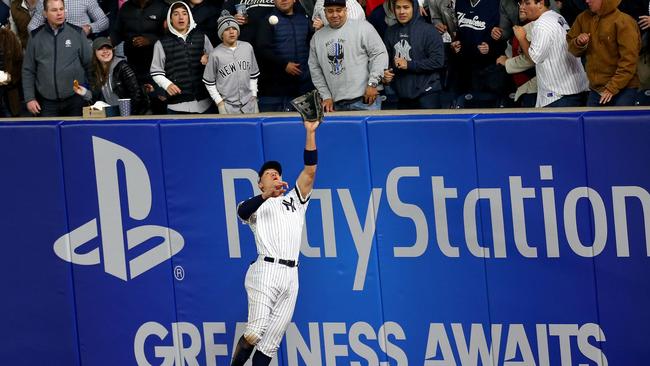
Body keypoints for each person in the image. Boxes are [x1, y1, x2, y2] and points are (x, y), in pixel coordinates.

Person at [231, 105, 321, 366]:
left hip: (292, 275)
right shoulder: (258, 203)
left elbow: (311, 170)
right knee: (254, 332)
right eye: (269, 174)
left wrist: (310, 132)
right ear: (261, 183)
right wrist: (265, 196)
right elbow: (241, 212)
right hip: (266, 271)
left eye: (277, 173)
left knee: (270, 343)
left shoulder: (295, 199)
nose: (274, 175)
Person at [308, 0, 388, 111]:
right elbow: (315, 70)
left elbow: (379, 54)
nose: (335, 15)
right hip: (335, 105)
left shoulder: (363, 27)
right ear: (324, 12)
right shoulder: (316, 38)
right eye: (330, 11)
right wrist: (325, 96)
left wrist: (373, 83)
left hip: (366, 100)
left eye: (339, 10)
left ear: (346, 10)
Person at [22, 0, 92, 116]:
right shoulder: (35, 37)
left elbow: (90, 65)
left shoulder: (77, 33)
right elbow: (28, 70)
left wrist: (92, 94)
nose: (59, 13)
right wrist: (30, 98)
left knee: (76, 134)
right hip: (46, 102)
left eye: (61, 9)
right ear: (45, 13)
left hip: (75, 100)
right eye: (54, 10)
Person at [514, 0, 588, 107]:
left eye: (527, 3)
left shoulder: (541, 24)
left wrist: (522, 38)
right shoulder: (556, 16)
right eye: (521, 3)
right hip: (574, 89)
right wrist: (528, 44)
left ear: (540, 3)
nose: (522, 7)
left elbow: (535, 58)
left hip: (558, 95)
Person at [567, 0, 640, 106]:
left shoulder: (624, 21)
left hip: (624, 89)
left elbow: (629, 61)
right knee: (592, 122)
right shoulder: (582, 18)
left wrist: (612, 87)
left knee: (618, 122)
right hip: (596, 90)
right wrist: (578, 42)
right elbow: (571, 47)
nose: (587, 1)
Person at [150, 1, 213, 113]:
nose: (181, 17)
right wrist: (167, 84)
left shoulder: (202, 38)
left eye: (184, 13)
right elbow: (156, 71)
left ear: (189, 17)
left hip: (205, 104)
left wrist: (210, 59)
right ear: (170, 19)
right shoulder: (161, 43)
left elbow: (217, 64)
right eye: (176, 14)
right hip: (177, 107)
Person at [383, 0, 444, 109]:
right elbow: (386, 61)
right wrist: (386, 74)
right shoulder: (390, 32)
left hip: (427, 94)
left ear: (414, 8)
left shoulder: (429, 31)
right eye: (398, 7)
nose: (401, 11)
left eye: (406, 7)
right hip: (402, 95)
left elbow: (438, 61)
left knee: (429, 126)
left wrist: (410, 65)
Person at [110, 0, 167, 113]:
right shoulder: (126, 7)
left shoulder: (162, 7)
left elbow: (170, 36)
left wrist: (150, 41)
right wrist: (106, 45)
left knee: (157, 103)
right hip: (131, 66)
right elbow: (117, 32)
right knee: (136, 104)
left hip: (155, 67)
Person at [256, 0, 314, 112]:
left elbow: (312, 49)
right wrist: (284, 65)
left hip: (303, 88)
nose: (283, 0)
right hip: (275, 91)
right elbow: (262, 49)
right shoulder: (266, 21)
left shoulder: (304, 20)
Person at [202, 11, 260, 113]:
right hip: (228, 106)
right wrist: (219, 102)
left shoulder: (247, 47)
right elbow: (209, 82)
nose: (232, 32)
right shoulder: (215, 54)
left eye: (234, 28)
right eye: (227, 29)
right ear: (221, 34)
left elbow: (253, 75)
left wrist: (254, 95)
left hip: (249, 103)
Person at [73, 37, 148, 114]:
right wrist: (85, 93)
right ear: (94, 52)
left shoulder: (122, 66)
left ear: (112, 50)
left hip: (127, 113)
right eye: (101, 49)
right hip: (111, 113)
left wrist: (129, 115)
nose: (105, 51)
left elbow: (137, 95)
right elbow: (98, 100)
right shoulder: (94, 71)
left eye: (108, 48)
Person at [27, 0, 109, 37]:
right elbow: (32, 26)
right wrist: (46, 39)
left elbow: (104, 21)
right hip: (54, 48)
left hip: (81, 44)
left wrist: (89, 28)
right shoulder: (45, 1)